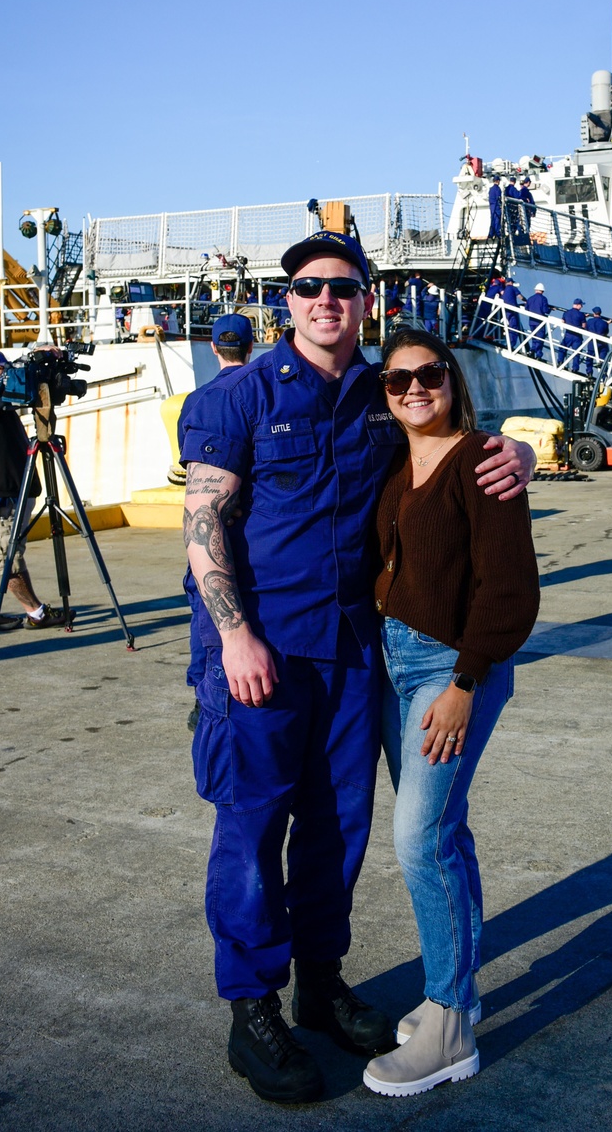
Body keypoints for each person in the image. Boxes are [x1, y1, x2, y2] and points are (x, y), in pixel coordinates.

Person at [180, 230, 535, 1106]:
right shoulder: (240, 396)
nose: (326, 300)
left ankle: (320, 981)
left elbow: (447, 450)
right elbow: (204, 526)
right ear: (286, 300)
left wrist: (518, 456)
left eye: (343, 285)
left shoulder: (386, 394)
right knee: (254, 829)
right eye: (308, 287)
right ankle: (251, 1008)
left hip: (352, 655)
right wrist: (234, 638)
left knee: (340, 828)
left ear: (366, 298)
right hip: (259, 654)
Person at [363, 330, 539, 1097]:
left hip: (450, 668)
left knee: (417, 840)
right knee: (442, 833)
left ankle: (449, 1026)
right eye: (397, 381)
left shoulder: (482, 460)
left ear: (450, 378)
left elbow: (511, 590)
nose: (413, 389)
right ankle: (457, 992)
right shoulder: (397, 461)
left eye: (427, 375)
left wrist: (465, 683)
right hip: (395, 664)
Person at [179, 314, 255, 730]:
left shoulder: (199, 400)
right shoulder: (261, 395)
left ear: (212, 348)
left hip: (209, 534)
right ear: (252, 345)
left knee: (204, 612)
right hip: (250, 542)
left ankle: (202, 696)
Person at [0, 350, 67, 636]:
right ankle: (35, 612)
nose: (11, 376)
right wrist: (34, 358)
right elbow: (8, 383)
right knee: (5, 555)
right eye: (3, 370)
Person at [560, 299, 587, 372]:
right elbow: (584, 326)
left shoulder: (566, 313)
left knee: (563, 348)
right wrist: (584, 318)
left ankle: (560, 362)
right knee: (576, 353)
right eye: (581, 305)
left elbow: (562, 322)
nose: (581, 307)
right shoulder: (581, 315)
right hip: (577, 337)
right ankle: (575, 369)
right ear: (578, 305)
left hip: (568, 334)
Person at [525, 283, 551, 360]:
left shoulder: (530, 298)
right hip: (540, 322)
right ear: (542, 291)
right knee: (540, 338)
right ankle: (538, 354)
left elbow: (526, 308)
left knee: (533, 337)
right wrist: (550, 310)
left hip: (532, 321)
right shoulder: (543, 299)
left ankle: (532, 350)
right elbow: (545, 310)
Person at [501, 276, 523, 350]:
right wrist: (526, 301)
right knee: (514, 327)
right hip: (512, 310)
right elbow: (520, 297)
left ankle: (509, 343)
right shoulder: (513, 288)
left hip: (506, 310)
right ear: (510, 282)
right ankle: (511, 344)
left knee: (510, 326)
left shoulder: (504, 290)